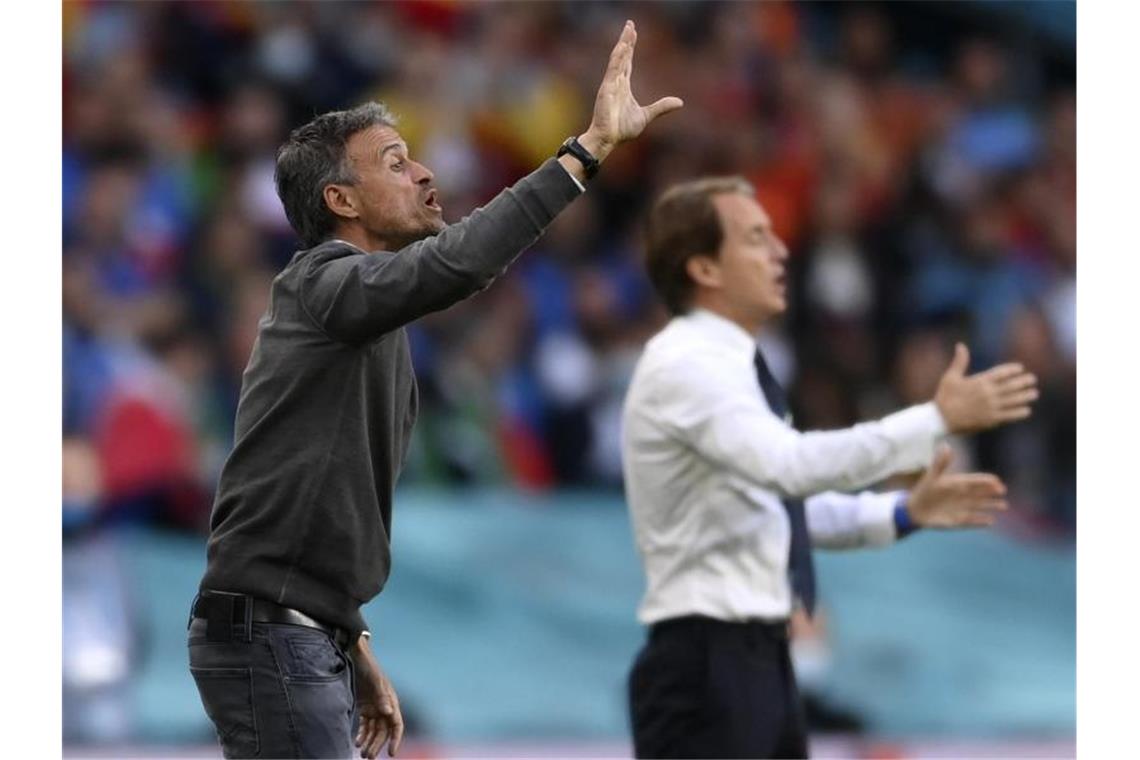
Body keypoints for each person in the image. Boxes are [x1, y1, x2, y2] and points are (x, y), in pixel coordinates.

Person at [187, 20, 682, 760]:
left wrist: (350, 646)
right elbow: (459, 264)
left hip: (295, 633)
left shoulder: (360, 315)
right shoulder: (325, 283)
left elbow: (310, 502)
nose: (422, 174)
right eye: (394, 162)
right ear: (341, 202)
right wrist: (583, 156)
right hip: (271, 635)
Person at [621, 177, 1038, 759]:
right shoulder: (688, 365)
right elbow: (789, 467)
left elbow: (777, 510)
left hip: (754, 662)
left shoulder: (730, 365)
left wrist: (903, 509)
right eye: (755, 238)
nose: (781, 251)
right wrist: (933, 420)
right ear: (704, 270)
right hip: (708, 665)